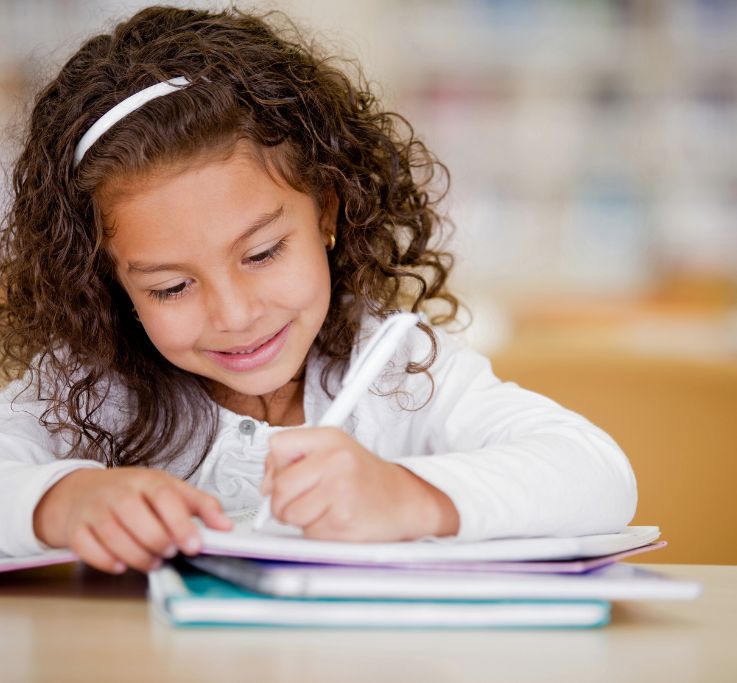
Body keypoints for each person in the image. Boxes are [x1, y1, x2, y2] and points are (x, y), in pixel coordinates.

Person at [0, 7, 636, 574]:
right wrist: (58, 502)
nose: (236, 314)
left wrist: (409, 497)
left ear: (327, 212)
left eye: (263, 252)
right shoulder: (81, 390)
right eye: (170, 287)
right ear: (106, 282)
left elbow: (598, 476)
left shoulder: (398, 372)